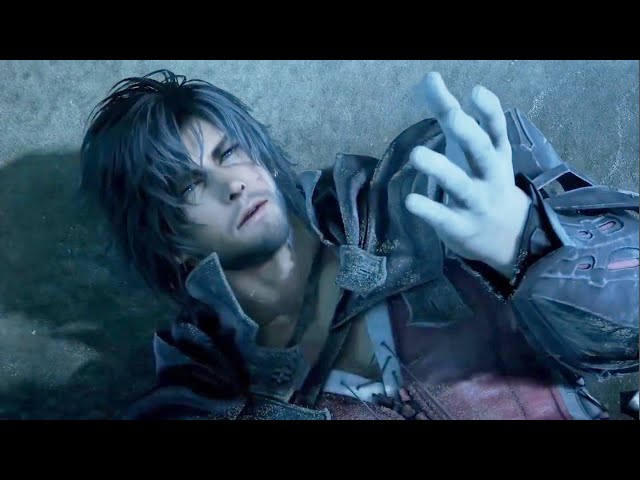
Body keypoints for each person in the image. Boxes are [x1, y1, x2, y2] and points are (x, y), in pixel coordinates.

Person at [79, 69, 639, 420]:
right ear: (166, 241)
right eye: (189, 187)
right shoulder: (202, 397)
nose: (232, 184)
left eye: (229, 154)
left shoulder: (416, 194)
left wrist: (527, 242)